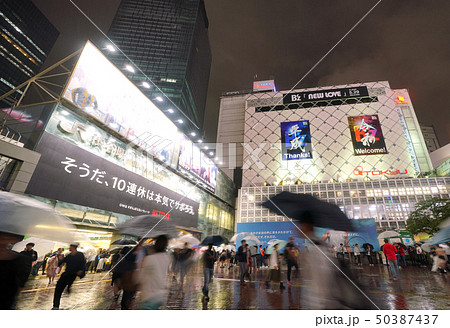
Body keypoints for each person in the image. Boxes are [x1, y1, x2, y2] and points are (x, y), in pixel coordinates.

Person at [136, 235, 171, 310]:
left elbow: (139, 278)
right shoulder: (167, 258)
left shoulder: (149, 259)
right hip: (161, 295)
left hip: (149, 297)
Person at [0, 231, 31, 309]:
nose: (4, 239)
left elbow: (20, 286)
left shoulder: (22, 261)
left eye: (10, 236)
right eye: (2, 235)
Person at [52, 243, 86, 309]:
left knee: (63, 286)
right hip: (66, 274)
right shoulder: (69, 255)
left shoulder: (80, 255)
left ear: (73, 247)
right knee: (58, 289)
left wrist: (81, 271)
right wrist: (60, 259)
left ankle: (68, 287)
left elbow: (83, 264)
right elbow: (60, 263)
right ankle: (55, 306)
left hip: (73, 274)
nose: (69, 248)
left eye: (70, 246)